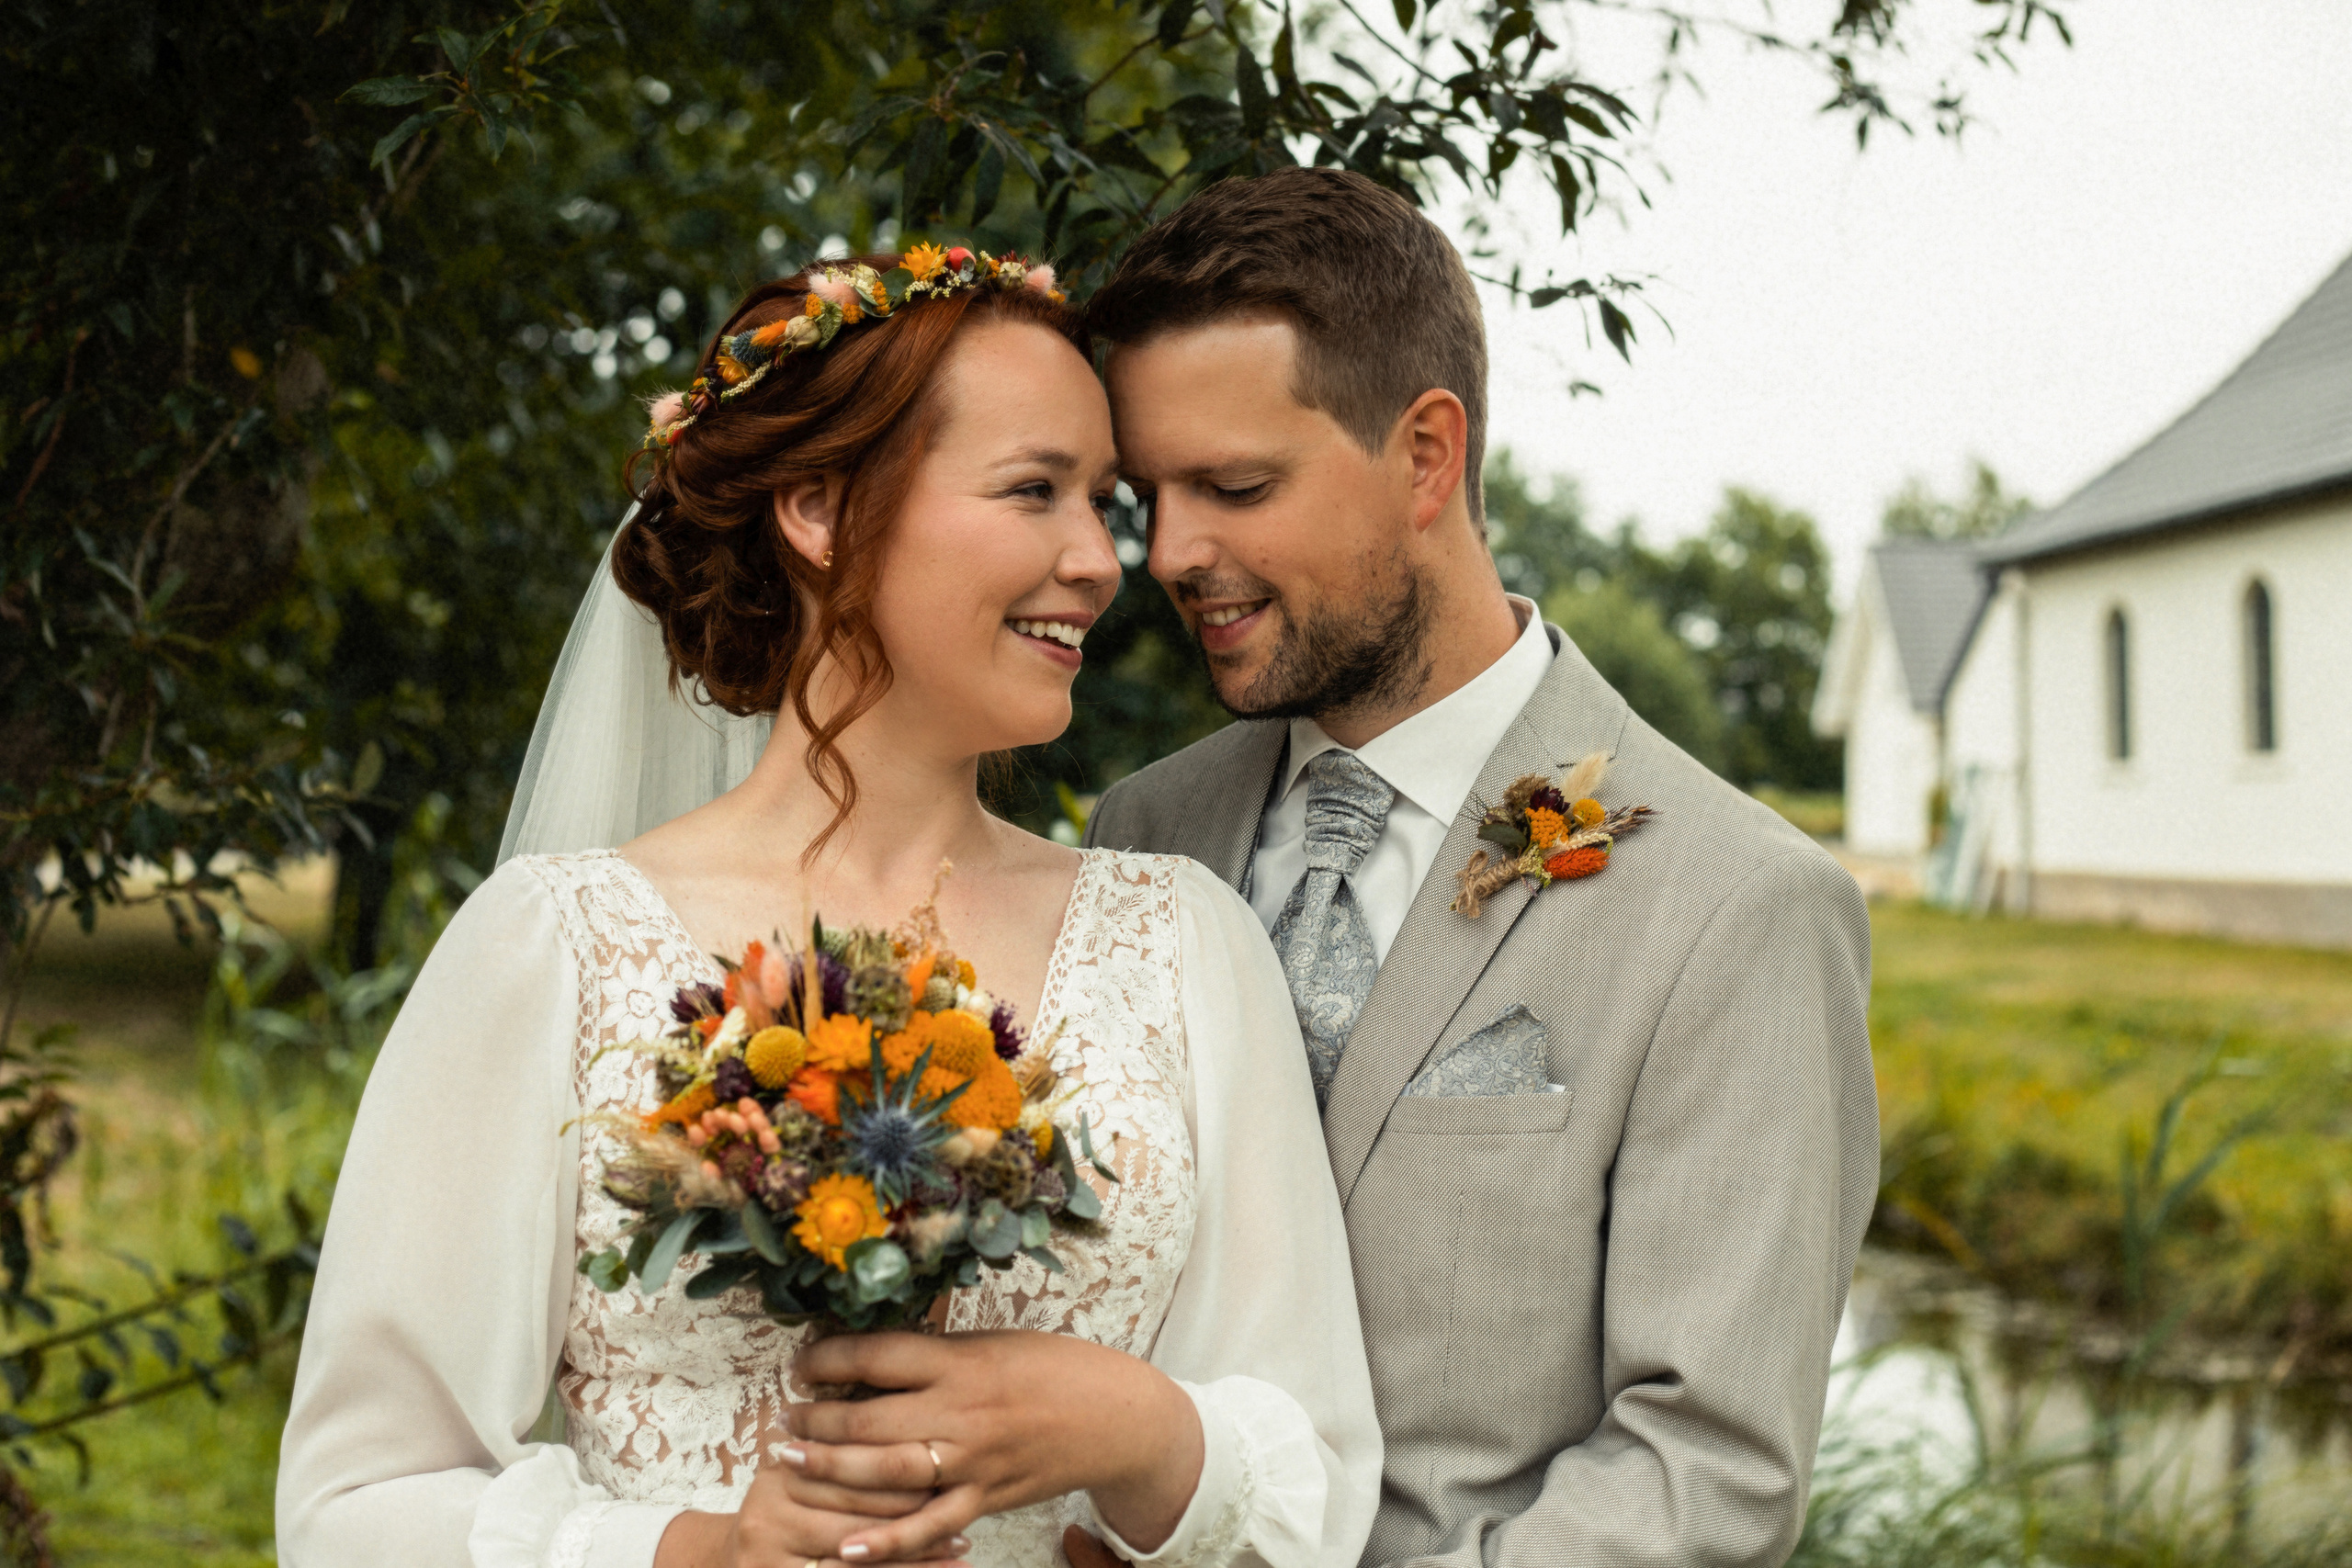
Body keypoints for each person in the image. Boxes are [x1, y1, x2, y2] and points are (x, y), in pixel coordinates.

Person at [276, 247, 1382, 1568]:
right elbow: (357, 1505)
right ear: (817, 508)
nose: (1100, 559)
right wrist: (700, 1554)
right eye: (1035, 490)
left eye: (1104, 501)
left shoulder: (1187, 943)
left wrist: (1143, 1436)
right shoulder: (550, 950)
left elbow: (1314, 1469)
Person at [1076, 168, 1880, 1568]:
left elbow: (1708, 1470)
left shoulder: (1738, 906)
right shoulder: (1142, 833)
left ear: (1428, 456)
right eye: (1151, 494)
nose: (1172, 553)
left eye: (1236, 486)